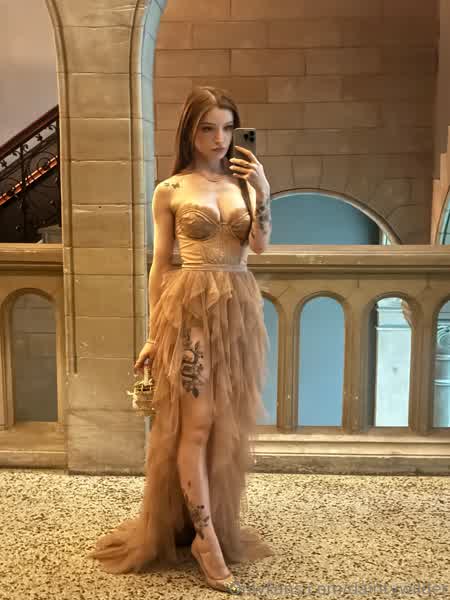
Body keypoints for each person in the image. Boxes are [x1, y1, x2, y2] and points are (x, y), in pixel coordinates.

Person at [88, 86, 274, 594]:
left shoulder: (244, 184)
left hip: (237, 311)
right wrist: (153, 336)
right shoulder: (170, 189)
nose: (219, 139)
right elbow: (160, 263)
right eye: (207, 128)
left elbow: (259, 244)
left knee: (225, 425)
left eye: (227, 128)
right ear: (190, 131)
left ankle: (205, 525)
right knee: (197, 423)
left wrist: (262, 188)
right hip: (189, 309)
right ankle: (205, 542)